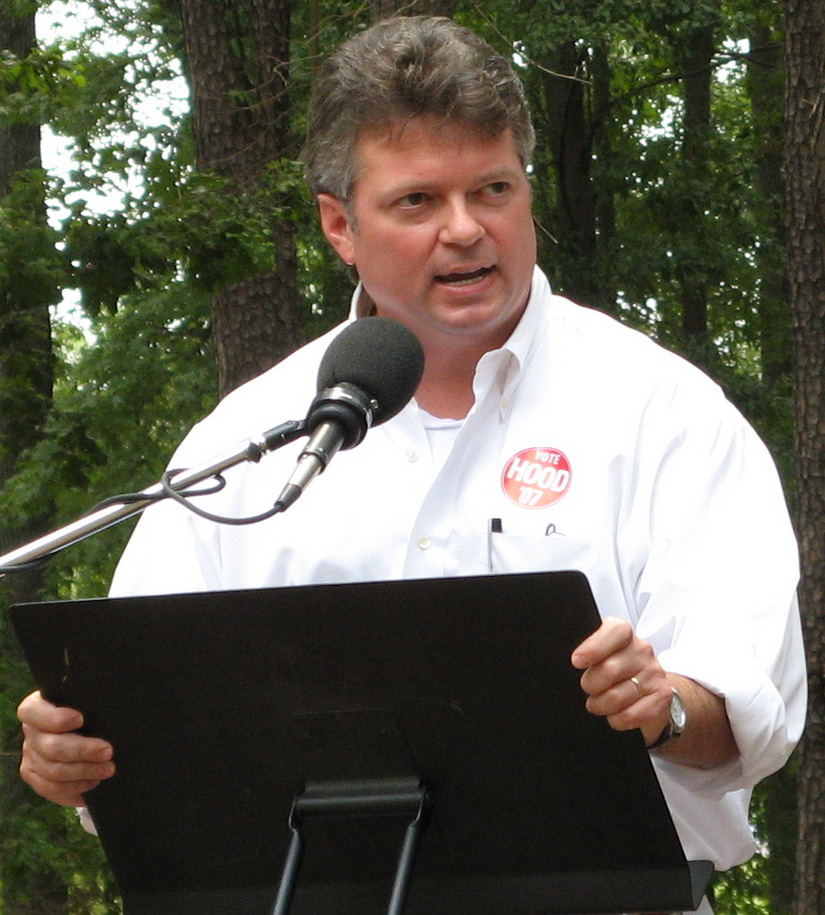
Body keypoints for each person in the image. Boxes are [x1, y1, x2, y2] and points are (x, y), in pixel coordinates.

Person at [18, 16, 805, 914]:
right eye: (418, 202)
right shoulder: (247, 441)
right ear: (339, 225)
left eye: (493, 189)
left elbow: (748, 715)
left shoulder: (661, 413)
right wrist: (76, 755)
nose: (465, 230)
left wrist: (661, 706)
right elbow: (141, 729)